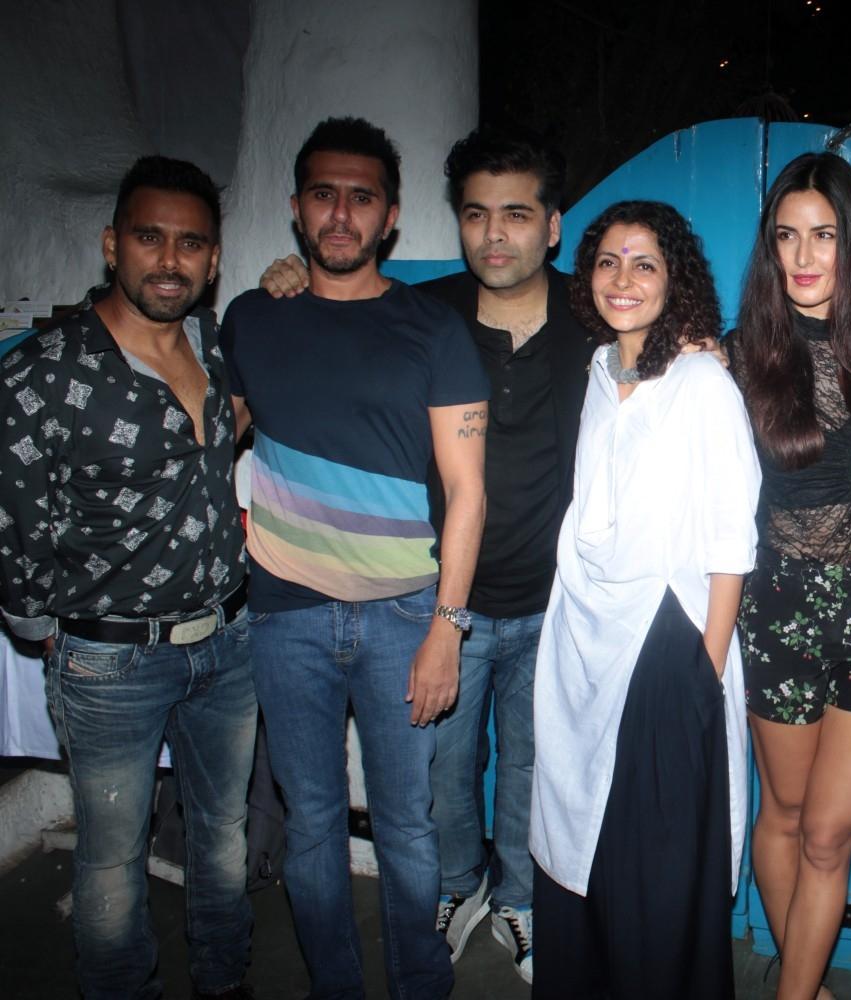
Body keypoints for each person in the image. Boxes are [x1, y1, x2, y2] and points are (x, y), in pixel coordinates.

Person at [259, 127, 593, 980]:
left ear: (552, 225)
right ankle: (455, 885)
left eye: (516, 214)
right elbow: (336, 310)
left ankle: (520, 898)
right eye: (476, 214)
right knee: (442, 772)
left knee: (534, 768)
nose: (494, 234)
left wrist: (702, 342)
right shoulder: (425, 314)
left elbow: (671, 342)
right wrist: (288, 278)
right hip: (444, 600)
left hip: (556, 600)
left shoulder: (594, 319)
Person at [220, 117, 489, 999]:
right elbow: (214, 440)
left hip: (405, 616)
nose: (341, 214)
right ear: (297, 209)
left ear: (391, 216)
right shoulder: (252, 318)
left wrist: (447, 628)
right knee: (310, 827)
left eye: (361, 197)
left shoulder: (432, 329)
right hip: (284, 615)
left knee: (407, 827)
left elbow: (468, 490)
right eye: (324, 195)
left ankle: (421, 988)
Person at [0, 156, 257, 1000]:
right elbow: (15, 527)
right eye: (151, 238)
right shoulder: (42, 374)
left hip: (228, 642)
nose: (170, 260)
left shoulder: (216, 348)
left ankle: (224, 981)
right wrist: (49, 635)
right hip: (111, 663)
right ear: (113, 244)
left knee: (224, 834)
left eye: (192, 243)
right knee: (112, 861)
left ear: (213, 258)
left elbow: (226, 439)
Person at [529, 200, 761, 999]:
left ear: (675, 281)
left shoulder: (701, 382)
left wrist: (706, 669)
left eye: (644, 264)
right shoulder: (599, 371)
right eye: (608, 261)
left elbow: (731, 537)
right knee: (582, 845)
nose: (623, 279)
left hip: (669, 640)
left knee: (653, 859)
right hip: (584, 639)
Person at [726, 152, 851, 1000]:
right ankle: (803, 988)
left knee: (828, 835)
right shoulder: (736, 358)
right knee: (782, 816)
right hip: (782, 609)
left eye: (825, 235)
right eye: (787, 236)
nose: (805, 256)